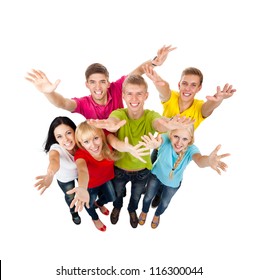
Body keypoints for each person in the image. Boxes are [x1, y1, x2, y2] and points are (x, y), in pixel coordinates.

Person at [87, 75, 194, 228]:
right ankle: (117, 207)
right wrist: (111, 126)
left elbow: (159, 123)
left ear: (146, 96)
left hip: (142, 171)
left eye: (139, 93)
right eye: (129, 93)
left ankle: (132, 210)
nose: (134, 98)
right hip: (119, 170)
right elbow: (113, 121)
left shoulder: (150, 115)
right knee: (117, 194)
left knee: (136, 196)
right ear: (123, 95)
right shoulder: (119, 114)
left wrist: (169, 125)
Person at [142, 64, 236, 207]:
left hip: (179, 151)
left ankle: (159, 195)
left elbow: (208, 107)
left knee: (168, 177)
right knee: (152, 171)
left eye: (193, 85)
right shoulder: (171, 97)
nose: (187, 88)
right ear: (179, 84)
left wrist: (218, 100)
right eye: (184, 83)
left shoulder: (199, 107)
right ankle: (150, 189)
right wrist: (159, 83)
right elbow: (164, 91)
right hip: (159, 146)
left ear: (199, 88)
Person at [25, 45, 176, 120]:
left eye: (102, 82)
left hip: (122, 150)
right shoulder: (84, 103)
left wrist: (155, 62)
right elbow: (63, 103)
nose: (98, 87)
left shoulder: (117, 88)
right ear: (87, 85)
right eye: (93, 82)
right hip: (99, 154)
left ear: (108, 83)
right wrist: (49, 93)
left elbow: (137, 72)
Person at [138, 126, 230, 229]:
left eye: (184, 139)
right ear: (170, 134)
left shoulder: (191, 150)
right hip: (155, 176)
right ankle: (144, 212)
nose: (179, 143)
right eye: (176, 136)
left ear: (190, 139)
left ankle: (156, 216)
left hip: (172, 184)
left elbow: (199, 160)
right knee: (147, 197)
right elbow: (158, 141)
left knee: (164, 203)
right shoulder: (165, 138)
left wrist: (208, 161)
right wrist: (154, 144)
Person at [66, 120, 149, 231]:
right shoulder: (81, 155)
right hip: (90, 186)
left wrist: (129, 148)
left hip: (106, 180)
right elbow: (82, 170)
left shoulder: (108, 145)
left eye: (96, 138)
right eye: (86, 141)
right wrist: (82, 187)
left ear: (101, 136)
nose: (93, 145)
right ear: (80, 143)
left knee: (112, 197)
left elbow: (117, 144)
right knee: (88, 204)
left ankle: (99, 204)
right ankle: (95, 218)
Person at [34, 116, 81, 225]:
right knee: (70, 197)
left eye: (68, 133)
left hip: (81, 173)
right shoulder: (56, 148)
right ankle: (74, 213)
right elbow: (54, 160)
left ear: (75, 130)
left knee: (87, 190)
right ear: (55, 139)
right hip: (65, 178)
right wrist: (50, 173)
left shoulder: (81, 140)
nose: (66, 140)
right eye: (59, 136)